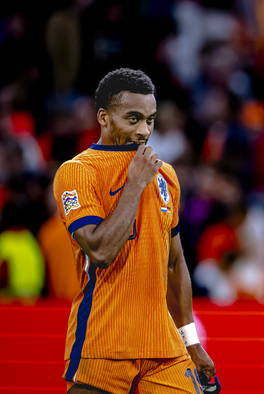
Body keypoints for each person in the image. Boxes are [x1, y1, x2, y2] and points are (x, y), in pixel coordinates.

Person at [53, 68, 216, 393]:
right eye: (133, 119)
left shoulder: (165, 175)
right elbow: (99, 251)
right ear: (104, 117)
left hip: (165, 350)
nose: (144, 131)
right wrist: (135, 184)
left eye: (150, 120)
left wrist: (190, 341)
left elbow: (174, 261)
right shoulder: (77, 173)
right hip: (103, 345)